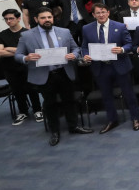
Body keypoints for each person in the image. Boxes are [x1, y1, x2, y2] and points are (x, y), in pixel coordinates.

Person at [14, 8, 92, 145]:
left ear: (53, 18)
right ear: (36, 19)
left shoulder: (65, 32)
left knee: (69, 101)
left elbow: (76, 48)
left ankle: (74, 126)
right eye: (43, 18)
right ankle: (54, 132)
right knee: (50, 104)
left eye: (49, 17)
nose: (47, 20)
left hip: (64, 72)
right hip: (45, 75)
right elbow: (18, 55)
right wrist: (26, 57)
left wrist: (73, 55)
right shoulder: (26, 36)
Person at [81, 3, 139, 132]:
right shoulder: (86, 28)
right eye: (98, 13)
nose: (101, 15)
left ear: (108, 12)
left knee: (129, 94)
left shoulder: (119, 26)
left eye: (103, 12)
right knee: (106, 95)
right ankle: (112, 120)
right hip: (100, 67)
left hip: (120, 65)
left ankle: (135, 118)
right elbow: (84, 46)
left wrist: (122, 49)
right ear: (93, 15)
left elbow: (129, 44)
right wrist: (85, 55)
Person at [0, 9, 43, 125]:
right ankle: (23, 112)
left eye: (11, 18)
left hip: (27, 67)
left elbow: (32, 51)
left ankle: (37, 110)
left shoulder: (28, 33)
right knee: (17, 90)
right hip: (9, 68)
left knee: (32, 89)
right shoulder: (1, 35)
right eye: (6, 19)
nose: (8, 21)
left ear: (18, 19)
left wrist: (8, 48)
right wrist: (21, 51)